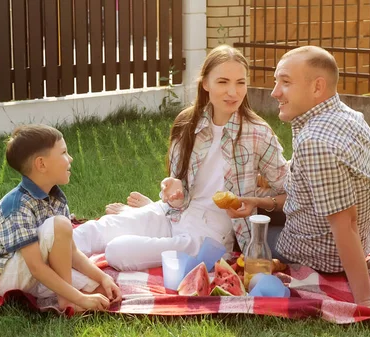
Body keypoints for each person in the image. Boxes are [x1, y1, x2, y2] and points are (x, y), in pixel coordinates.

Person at [73, 45, 289, 271]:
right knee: (96, 229)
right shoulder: (187, 123)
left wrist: (259, 199)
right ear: (205, 83)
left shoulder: (257, 132)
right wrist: (173, 187)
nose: (233, 92)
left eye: (240, 82)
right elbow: (178, 187)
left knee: (118, 251)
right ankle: (40, 264)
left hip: (209, 236)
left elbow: (288, 189)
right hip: (172, 213)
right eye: (223, 82)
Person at [231, 45, 370, 316]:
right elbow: (308, 194)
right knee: (247, 202)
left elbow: (346, 224)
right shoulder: (347, 117)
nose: (275, 92)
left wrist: (365, 301)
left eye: (285, 82)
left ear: (317, 87)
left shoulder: (315, 142)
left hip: (319, 254)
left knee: (229, 230)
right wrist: (258, 202)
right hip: (332, 233)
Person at [0, 124, 121, 312]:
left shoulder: (56, 199)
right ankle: (66, 303)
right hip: (7, 277)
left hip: (37, 270)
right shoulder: (16, 206)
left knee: (102, 292)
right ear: (41, 164)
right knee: (61, 225)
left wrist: (102, 277)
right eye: (63, 153)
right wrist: (79, 297)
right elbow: (36, 267)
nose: (70, 158)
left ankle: (64, 296)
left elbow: (73, 253)